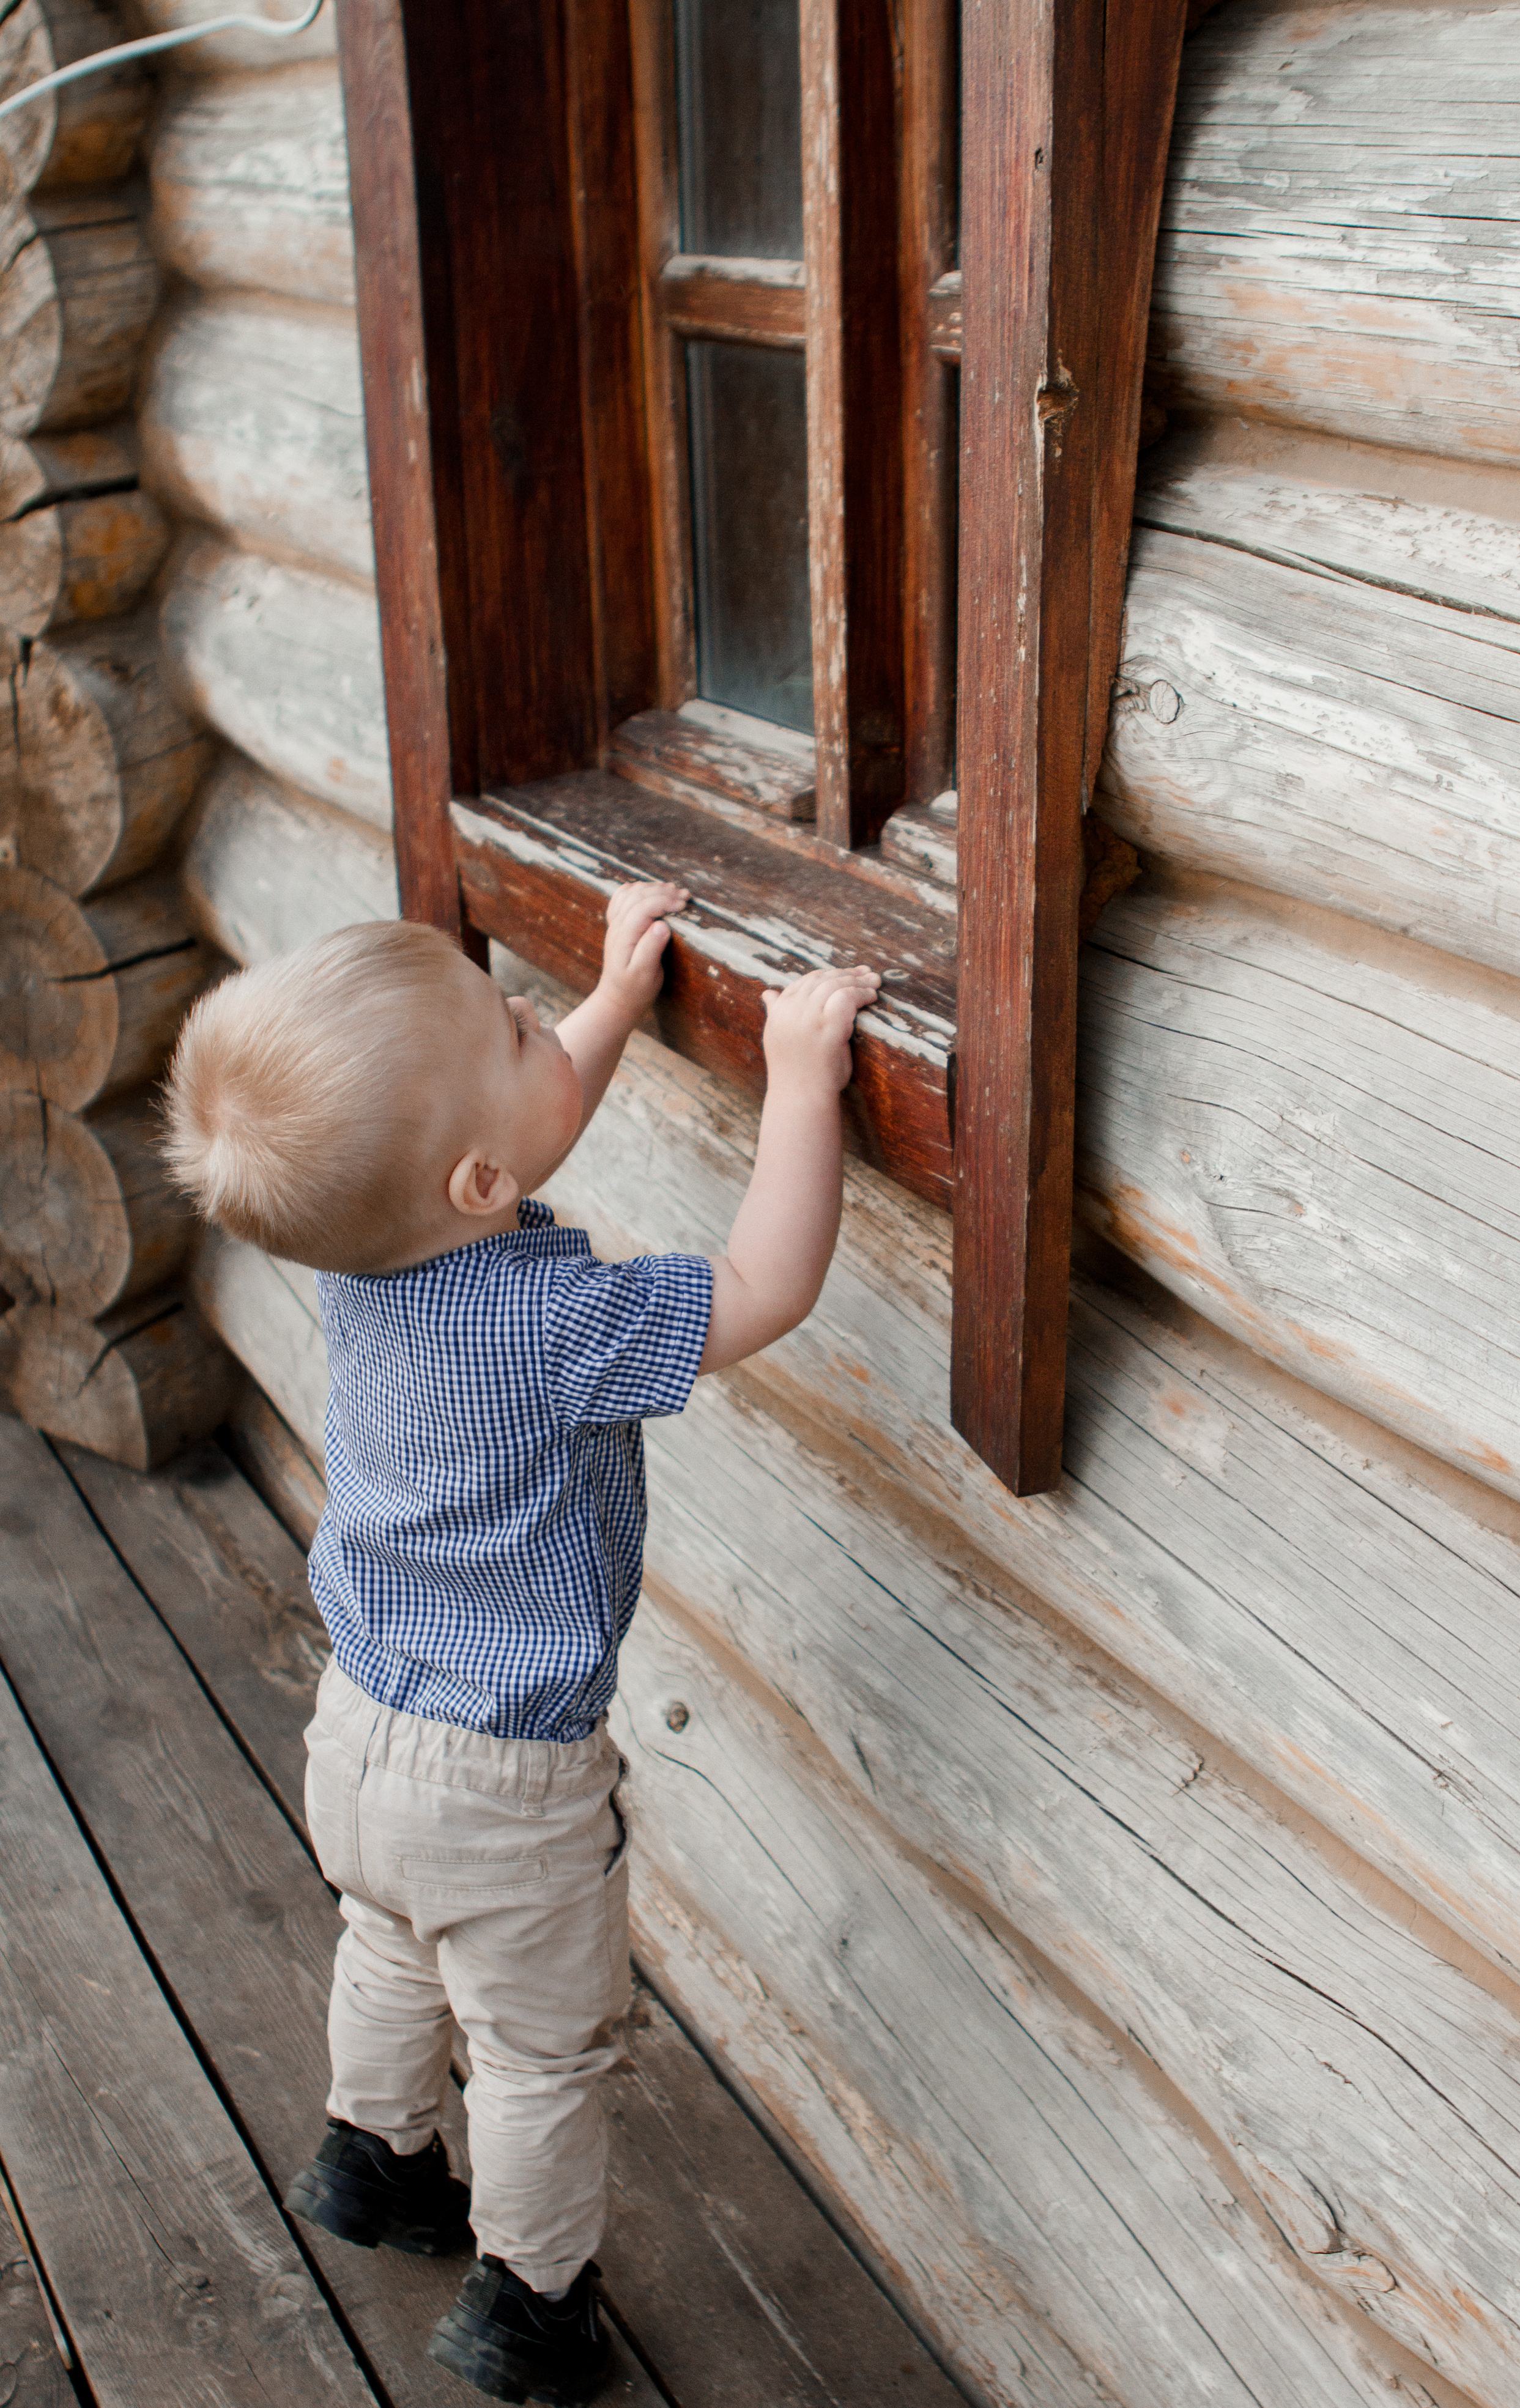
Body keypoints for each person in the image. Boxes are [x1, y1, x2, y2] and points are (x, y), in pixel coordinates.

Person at [161, 881, 880, 2406]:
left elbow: (510, 1136)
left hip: (356, 1730)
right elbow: (765, 1286)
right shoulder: (556, 1327)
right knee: (544, 2053)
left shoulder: (360, 1257)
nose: (541, 1025)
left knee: (392, 1944)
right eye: (518, 1027)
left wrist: (613, 999)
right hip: (505, 1782)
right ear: (480, 1175)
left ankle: (372, 2156)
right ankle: (530, 2303)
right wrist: (803, 1086)